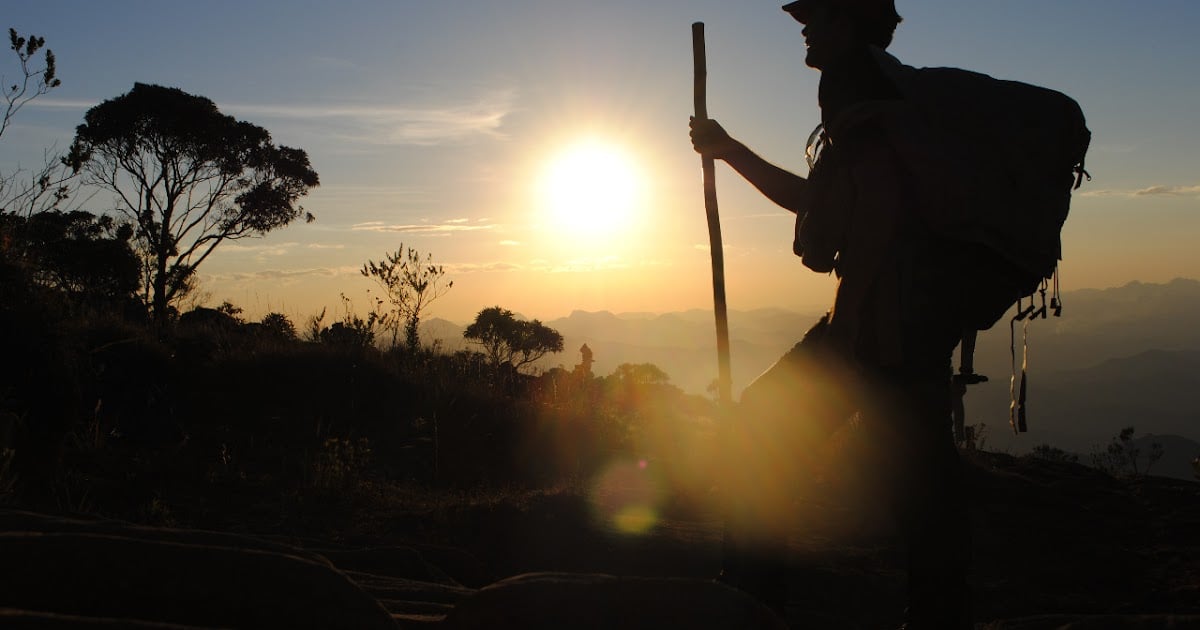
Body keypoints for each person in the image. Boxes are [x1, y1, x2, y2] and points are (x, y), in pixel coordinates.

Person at [689, 1, 973, 627]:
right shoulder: (887, 93)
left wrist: (847, 326)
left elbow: (869, 210)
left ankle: (752, 603)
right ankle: (936, 614)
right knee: (923, 487)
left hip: (879, 327)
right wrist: (729, 150)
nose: (806, 30)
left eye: (816, 17)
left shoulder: (854, 84)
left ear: (846, 21)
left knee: (765, 432)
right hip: (907, 324)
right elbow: (818, 201)